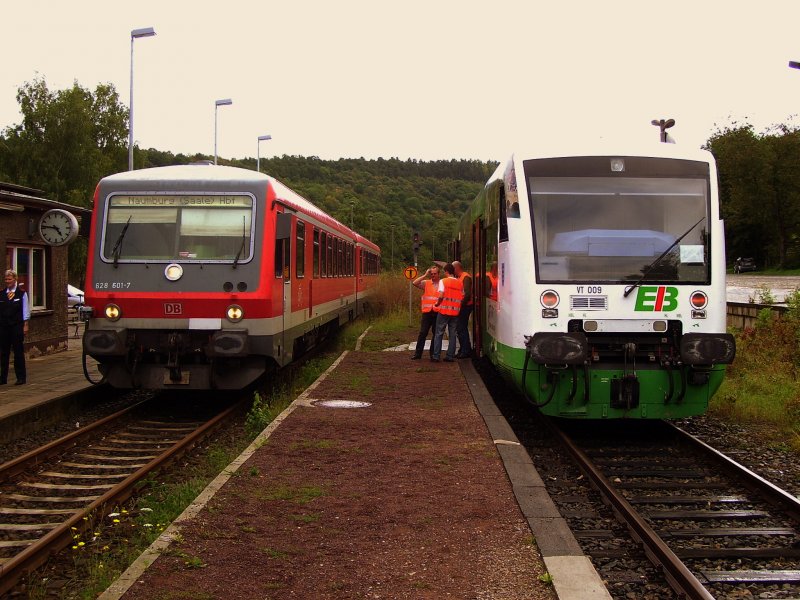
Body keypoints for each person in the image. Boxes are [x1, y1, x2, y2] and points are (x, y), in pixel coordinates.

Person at [0, 269, 30, 385]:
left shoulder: (21, 293)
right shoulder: (2, 293)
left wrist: (25, 325)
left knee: (18, 352)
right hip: (4, 326)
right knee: (4, 352)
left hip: (17, 326)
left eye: (9, 279)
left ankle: (21, 377)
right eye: (6, 279)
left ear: (15, 279)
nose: (7, 281)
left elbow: (25, 310)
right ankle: (3, 378)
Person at [410, 265, 443, 360]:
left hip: (437, 312)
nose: (433, 275)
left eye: (435, 273)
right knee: (423, 332)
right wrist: (425, 275)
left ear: (438, 274)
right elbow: (415, 283)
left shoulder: (442, 284)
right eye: (431, 274)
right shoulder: (426, 283)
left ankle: (433, 354)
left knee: (435, 334)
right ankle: (418, 354)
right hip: (427, 312)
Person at [432, 263, 463, 362]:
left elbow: (441, 295)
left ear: (446, 271)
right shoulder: (459, 283)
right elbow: (461, 297)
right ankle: (450, 356)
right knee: (452, 334)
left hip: (444, 311)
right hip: (455, 312)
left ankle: (436, 356)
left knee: (439, 333)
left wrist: (437, 304)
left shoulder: (443, 281)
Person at [452, 261, 473, 358]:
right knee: (460, 328)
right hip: (463, 306)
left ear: (457, 268)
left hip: (465, 306)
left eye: (453, 269)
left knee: (461, 327)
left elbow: (467, 294)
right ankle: (463, 349)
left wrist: (460, 305)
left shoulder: (465, 277)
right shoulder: (460, 277)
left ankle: (465, 350)